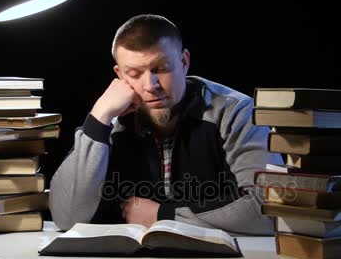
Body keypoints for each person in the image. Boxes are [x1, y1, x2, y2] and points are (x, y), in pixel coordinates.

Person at [49, 14, 282, 235]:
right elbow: (67, 218)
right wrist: (98, 118)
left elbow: (271, 209)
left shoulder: (235, 113)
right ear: (120, 76)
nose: (150, 85)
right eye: (134, 73)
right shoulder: (111, 124)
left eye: (161, 68)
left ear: (184, 62)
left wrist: (164, 215)